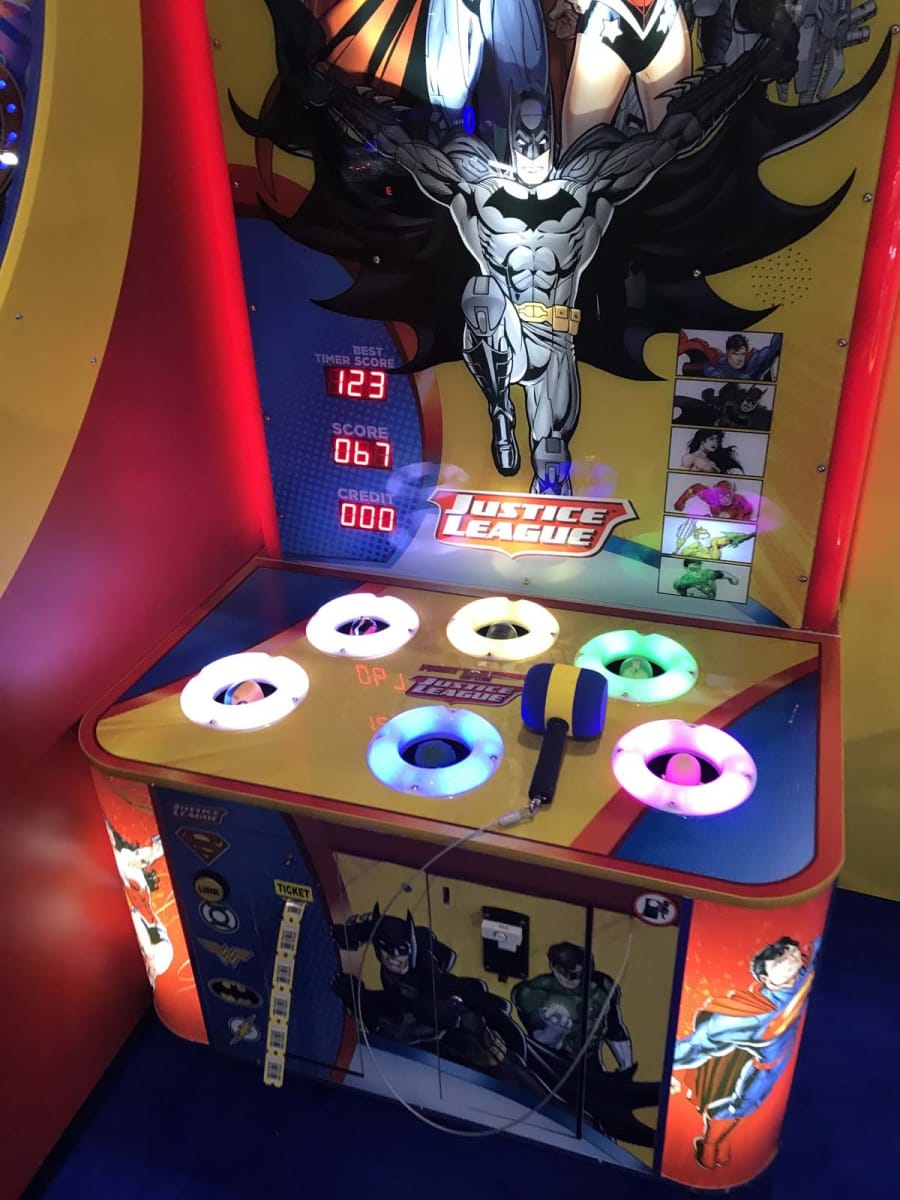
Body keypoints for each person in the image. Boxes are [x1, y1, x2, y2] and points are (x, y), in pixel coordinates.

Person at [671, 936, 820, 1170]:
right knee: (742, 1104)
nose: (790, 957)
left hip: (788, 1059)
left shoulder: (806, 970)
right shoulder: (750, 1014)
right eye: (779, 958)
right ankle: (709, 1143)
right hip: (765, 1068)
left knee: (751, 1107)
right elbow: (696, 1045)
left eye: (791, 951)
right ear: (765, 979)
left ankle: (722, 1138)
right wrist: (666, 1067)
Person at [511, 942, 660, 1145]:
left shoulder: (602, 987)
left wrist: (625, 1069)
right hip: (554, 1066)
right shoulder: (536, 992)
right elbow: (535, 1042)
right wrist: (555, 1032)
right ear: (554, 967)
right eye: (569, 975)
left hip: (591, 1063)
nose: (574, 981)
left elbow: (614, 1029)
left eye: (580, 975)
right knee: (561, 1119)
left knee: (610, 1117)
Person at [673, 479, 755, 520]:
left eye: (728, 493)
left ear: (733, 492)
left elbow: (747, 513)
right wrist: (681, 500)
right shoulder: (710, 495)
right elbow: (695, 488)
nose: (724, 497)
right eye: (720, 493)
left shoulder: (739, 502)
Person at [680, 430, 744, 474]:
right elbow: (683, 477)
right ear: (702, 441)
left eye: (717, 440)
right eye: (711, 439)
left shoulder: (713, 458)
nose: (715, 443)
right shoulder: (690, 457)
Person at [672, 558, 740, 600]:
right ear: (686, 568)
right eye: (693, 569)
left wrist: (732, 578)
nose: (697, 572)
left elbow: (722, 573)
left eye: (699, 568)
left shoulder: (708, 573)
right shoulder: (683, 582)